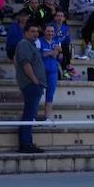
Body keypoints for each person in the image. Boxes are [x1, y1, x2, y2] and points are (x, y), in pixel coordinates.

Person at [14, 20, 45, 153]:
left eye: (37, 31)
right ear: (25, 32)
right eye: (32, 31)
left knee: (30, 114)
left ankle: (27, 142)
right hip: (31, 84)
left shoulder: (31, 45)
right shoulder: (24, 44)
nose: (35, 34)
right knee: (29, 114)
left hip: (34, 85)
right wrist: (35, 80)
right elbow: (25, 64)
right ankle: (26, 144)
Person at [37, 23, 62, 121]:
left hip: (53, 72)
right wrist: (51, 52)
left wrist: (58, 54)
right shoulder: (39, 41)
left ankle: (47, 117)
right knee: (37, 94)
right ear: (44, 31)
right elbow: (38, 55)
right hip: (41, 72)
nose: (50, 33)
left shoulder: (57, 43)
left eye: (52, 31)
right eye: (48, 31)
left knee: (50, 95)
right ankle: (33, 116)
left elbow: (59, 57)